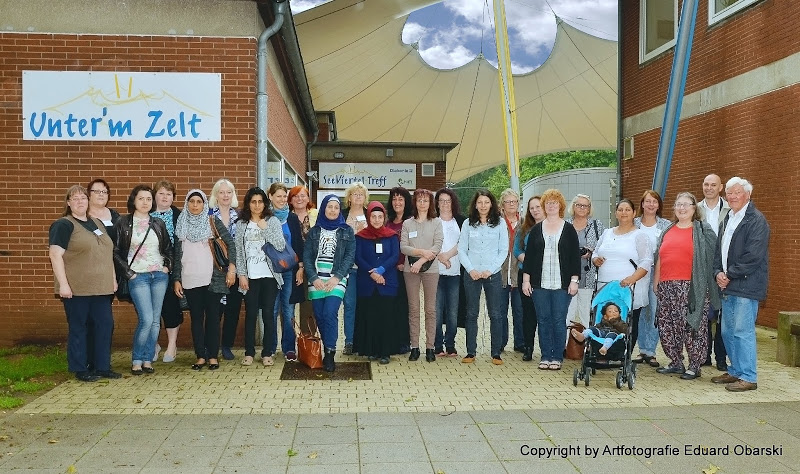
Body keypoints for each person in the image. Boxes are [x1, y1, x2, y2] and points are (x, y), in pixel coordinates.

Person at [49, 185, 119, 382]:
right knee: (79, 328)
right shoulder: (63, 225)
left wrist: (112, 278)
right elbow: (55, 255)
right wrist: (63, 284)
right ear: (68, 203)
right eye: (75, 198)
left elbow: (107, 253)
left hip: (102, 287)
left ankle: (102, 366)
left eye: (83, 198)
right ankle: (80, 368)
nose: (80, 201)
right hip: (77, 288)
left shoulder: (96, 222)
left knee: (105, 326)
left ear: (88, 201)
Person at [711, 177, 770, 392]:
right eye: (729, 193)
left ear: (748, 194)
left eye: (737, 192)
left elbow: (753, 256)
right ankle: (735, 370)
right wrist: (717, 272)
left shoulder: (756, 220)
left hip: (746, 285)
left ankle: (749, 376)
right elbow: (719, 250)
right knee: (727, 332)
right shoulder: (728, 217)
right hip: (728, 285)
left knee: (742, 331)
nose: (732, 196)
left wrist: (729, 274)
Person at [652, 192, 718, 380]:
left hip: (692, 287)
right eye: (678, 204)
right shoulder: (668, 230)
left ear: (694, 208)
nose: (681, 208)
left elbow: (713, 257)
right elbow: (660, 258)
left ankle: (695, 365)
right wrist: (656, 282)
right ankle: (675, 362)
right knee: (667, 325)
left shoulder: (703, 230)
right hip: (666, 286)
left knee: (691, 326)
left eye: (686, 204)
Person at [172, 190, 237, 371]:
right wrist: (176, 279)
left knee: (213, 319)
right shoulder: (181, 223)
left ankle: (213, 356)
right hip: (189, 279)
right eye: (191, 201)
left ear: (204, 204)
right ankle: (200, 356)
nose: (195, 205)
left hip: (212, 279)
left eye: (199, 202)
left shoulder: (212, 222)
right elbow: (177, 256)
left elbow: (231, 244)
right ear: (187, 203)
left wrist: (232, 269)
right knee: (196, 319)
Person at [114, 185, 173, 375]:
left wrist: (167, 266)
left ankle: (147, 360)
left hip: (159, 276)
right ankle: (136, 359)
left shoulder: (158, 223)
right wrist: (129, 273)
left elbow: (168, 248)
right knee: (146, 319)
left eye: (148, 199)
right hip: (138, 276)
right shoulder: (123, 223)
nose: (145, 202)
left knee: (155, 321)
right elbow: (115, 252)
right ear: (134, 200)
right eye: (141, 198)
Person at [521, 189, 580, 371]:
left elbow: (574, 258)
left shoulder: (569, 229)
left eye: (555, 202)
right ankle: (546, 355)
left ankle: (557, 357)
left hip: (562, 284)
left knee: (558, 320)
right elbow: (529, 258)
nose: (551, 205)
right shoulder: (536, 229)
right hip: (540, 284)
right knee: (543, 319)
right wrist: (526, 280)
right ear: (544, 206)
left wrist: (574, 281)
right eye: (548, 203)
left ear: (560, 205)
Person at [592, 199, 651, 369]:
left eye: (627, 210)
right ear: (616, 213)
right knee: (603, 320)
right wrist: (596, 259)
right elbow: (595, 252)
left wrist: (631, 279)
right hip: (605, 288)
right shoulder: (607, 233)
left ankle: (623, 356)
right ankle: (602, 354)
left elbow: (646, 261)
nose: (623, 213)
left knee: (626, 322)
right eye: (620, 210)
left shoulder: (639, 235)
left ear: (634, 213)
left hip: (628, 288)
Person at [234, 187, 286, 367]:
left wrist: (265, 229)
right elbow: (239, 252)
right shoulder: (242, 224)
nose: (257, 205)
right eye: (253, 202)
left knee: (269, 315)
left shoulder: (272, 221)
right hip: (250, 276)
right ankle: (249, 352)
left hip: (270, 276)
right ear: (248, 204)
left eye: (260, 202)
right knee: (251, 315)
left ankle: (267, 352)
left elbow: (280, 245)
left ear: (265, 203)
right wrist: (242, 274)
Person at [304, 194, 356, 372]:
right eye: (329, 207)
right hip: (317, 279)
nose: (333, 210)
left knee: (329, 312)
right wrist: (313, 278)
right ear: (324, 208)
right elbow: (307, 257)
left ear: (340, 210)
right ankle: (327, 347)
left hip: (337, 279)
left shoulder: (346, 231)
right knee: (319, 315)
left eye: (336, 207)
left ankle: (330, 353)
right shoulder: (314, 231)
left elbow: (350, 256)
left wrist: (337, 277)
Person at [459, 190, 509, 365]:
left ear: (492, 204)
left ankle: (496, 353)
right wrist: (470, 269)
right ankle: (470, 352)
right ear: (475, 204)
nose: (483, 205)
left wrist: (491, 269)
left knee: (495, 314)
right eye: (480, 202)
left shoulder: (500, 223)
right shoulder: (467, 223)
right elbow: (461, 250)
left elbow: (503, 250)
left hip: (492, 275)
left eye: (486, 202)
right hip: (471, 274)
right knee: (471, 313)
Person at [353, 201, 401, 364]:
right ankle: (372, 350)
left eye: (380, 217)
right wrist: (372, 273)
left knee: (386, 317)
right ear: (368, 218)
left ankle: (385, 352)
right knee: (370, 317)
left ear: (384, 218)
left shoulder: (392, 236)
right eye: (373, 216)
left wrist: (381, 270)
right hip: (367, 283)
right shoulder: (360, 236)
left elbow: (395, 256)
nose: (377, 220)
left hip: (387, 281)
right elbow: (358, 257)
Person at [401, 189, 443, 362]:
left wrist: (421, 261)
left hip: (431, 270)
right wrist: (421, 252)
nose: (422, 203)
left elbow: (437, 246)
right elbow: (404, 247)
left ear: (430, 203)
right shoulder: (407, 223)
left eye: (426, 200)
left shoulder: (436, 222)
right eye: (419, 200)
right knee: (413, 309)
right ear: (415, 203)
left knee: (430, 309)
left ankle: (430, 347)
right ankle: (415, 347)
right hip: (410, 270)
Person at [632, 190, 671, 368]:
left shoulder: (666, 225)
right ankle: (641, 350)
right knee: (640, 310)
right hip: (637, 271)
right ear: (642, 204)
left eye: (654, 202)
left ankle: (651, 351)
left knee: (654, 310)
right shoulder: (633, 223)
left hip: (657, 271)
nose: (651, 205)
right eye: (647, 201)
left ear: (659, 205)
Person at [85, 178, 121, 371]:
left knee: (104, 321)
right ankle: (88, 361)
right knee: (89, 320)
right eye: (96, 191)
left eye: (104, 192)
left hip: (111, 272)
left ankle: (102, 362)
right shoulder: (82, 217)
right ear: (88, 194)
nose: (101, 195)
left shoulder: (115, 216)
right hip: (88, 273)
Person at [698, 174, 730, 371]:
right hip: (701, 269)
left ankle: (721, 357)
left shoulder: (729, 209)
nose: (709, 188)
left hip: (723, 269)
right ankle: (704, 355)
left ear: (720, 187)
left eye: (713, 185)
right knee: (703, 314)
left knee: (722, 315)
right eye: (706, 184)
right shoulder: (695, 209)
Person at [268, 182, 302, 362]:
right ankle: (270, 347)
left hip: (289, 270)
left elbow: (298, 244)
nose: (281, 199)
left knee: (288, 310)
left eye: (284, 196)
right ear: (270, 197)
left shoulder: (292, 218)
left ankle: (289, 347)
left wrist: (300, 268)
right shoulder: (265, 218)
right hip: (271, 271)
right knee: (272, 310)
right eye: (278, 196)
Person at [209, 178, 243, 361]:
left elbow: (240, 244)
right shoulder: (208, 216)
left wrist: (234, 268)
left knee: (232, 309)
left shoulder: (239, 217)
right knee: (215, 311)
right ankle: (211, 346)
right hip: (215, 270)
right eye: (221, 192)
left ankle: (227, 346)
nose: (225, 196)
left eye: (229, 192)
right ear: (215, 195)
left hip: (235, 268)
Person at [150, 179, 182, 363]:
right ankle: (153, 344)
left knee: (170, 307)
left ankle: (172, 345)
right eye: (161, 193)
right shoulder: (144, 215)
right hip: (148, 270)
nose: (164, 197)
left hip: (171, 271)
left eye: (168, 194)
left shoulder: (179, 216)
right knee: (150, 310)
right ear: (154, 196)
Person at [565, 194, 606, 332]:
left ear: (589, 208)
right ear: (573, 207)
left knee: (586, 314)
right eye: (579, 205)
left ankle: (587, 342)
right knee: (567, 314)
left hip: (588, 276)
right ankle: (566, 343)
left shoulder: (597, 225)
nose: (582, 208)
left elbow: (603, 247)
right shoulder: (565, 225)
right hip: (568, 276)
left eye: (585, 206)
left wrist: (591, 252)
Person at [433, 188, 465, 357]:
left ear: (453, 202)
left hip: (455, 274)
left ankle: (450, 345)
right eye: (442, 201)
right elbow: (429, 243)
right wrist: (441, 257)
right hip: (435, 273)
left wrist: (448, 255)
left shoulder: (461, 221)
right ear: (437, 204)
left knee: (453, 313)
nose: (445, 204)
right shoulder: (433, 221)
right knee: (437, 312)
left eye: (448, 200)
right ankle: (438, 345)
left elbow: (464, 242)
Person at [514, 196, 544, 361]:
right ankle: (528, 348)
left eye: (538, 206)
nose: (535, 210)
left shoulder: (552, 227)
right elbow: (517, 250)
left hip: (546, 276)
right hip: (525, 275)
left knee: (544, 314)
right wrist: (530, 261)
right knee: (528, 314)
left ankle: (546, 349)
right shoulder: (524, 228)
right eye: (532, 208)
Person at [341, 182, 369, 355]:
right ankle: (349, 341)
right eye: (355, 194)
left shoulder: (371, 215)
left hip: (366, 268)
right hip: (348, 268)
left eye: (361, 194)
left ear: (365, 198)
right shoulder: (342, 215)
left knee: (366, 305)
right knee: (350, 304)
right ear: (349, 197)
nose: (358, 197)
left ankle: (364, 341)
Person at [385, 187, 413, 354]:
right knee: (392, 307)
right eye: (394, 199)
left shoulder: (411, 221)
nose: (397, 202)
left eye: (400, 199)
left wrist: (406, 264)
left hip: (406, 271)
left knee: (404, 307)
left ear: (406, 202)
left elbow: (415, 246)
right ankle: (393, 341)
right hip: (390, 271)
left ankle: (404, 342)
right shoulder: (388, 222)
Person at [288, 185, 316, 336]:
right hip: (290, 266)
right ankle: (289, 343)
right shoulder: (285, 217)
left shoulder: (316, 215)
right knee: (288, 306)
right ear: (290, 200)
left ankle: (308, 340)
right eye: (295, 196)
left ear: (308, 198)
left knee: (309, 306)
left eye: (303, 195)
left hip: (312, 266)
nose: (299, 199)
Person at [499, 188, 524, 353]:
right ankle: (500, 342)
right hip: (501, 272)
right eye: (507, 202)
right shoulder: (496, 222)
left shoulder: (525, 223)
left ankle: (520, 343)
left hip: (518, 272)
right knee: (500, 311)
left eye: (514, 201)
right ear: (502, 205)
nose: (511, 204)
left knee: (519, 310)